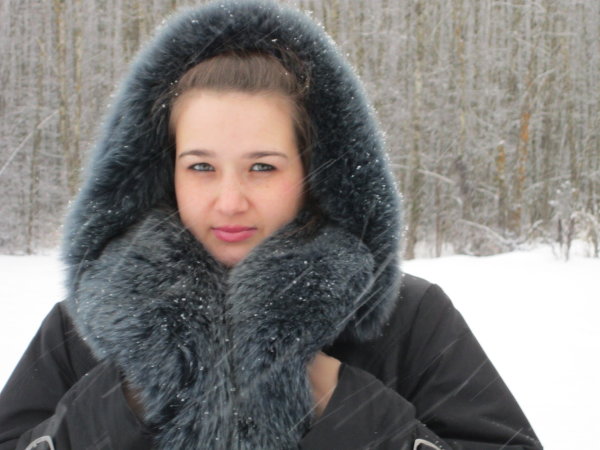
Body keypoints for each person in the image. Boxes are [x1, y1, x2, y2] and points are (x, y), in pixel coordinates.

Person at [0, 1, 542, 449]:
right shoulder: (83, 327)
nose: (230, 201)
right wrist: (129, 395)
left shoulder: (411, 319)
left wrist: (335, 397)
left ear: (314, 173)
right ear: (164, 174)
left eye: (262, 167)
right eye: (201, 167)